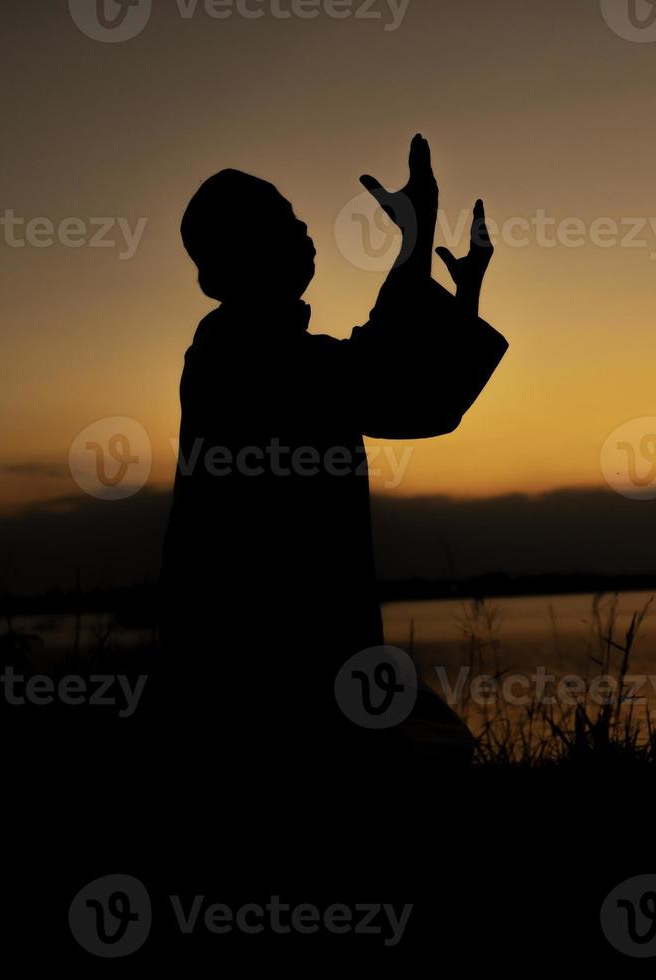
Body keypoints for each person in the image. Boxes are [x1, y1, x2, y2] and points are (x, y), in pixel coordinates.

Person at [159, 135, 508, 769]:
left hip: (309, 658)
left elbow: (417, 405)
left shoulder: (266, 351)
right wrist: (415, 238)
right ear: (245, 252)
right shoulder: (238, 357)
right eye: (284, 221)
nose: (304, 231)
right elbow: (384, 383)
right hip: (265, 669)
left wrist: (462, 297)